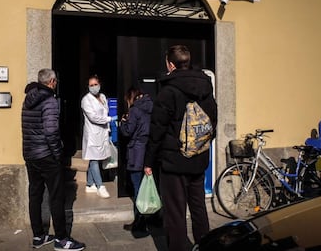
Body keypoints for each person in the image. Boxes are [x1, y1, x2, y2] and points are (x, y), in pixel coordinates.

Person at [144, 45, 218, 251]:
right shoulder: (206, 87)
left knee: (175, 212)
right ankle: (204, 245)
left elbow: (157, 130)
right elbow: (213, 121)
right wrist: (201, 144)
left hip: (173, 160)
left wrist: (149, 161)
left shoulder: (168, 91)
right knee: (198, 206)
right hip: (199, 157)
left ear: (170, 64)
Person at [21, 68, 85, 250]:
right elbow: (51, 132)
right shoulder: (49, 101)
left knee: (35, 194)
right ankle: (62, 239)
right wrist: (58, 154)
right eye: (55, 81)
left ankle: (39, 236)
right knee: (57, 197)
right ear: (50, 82)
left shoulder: (28, 99)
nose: (56, 84)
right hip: (46, 156)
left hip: (30, 154)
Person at [118, 86, 153, 237]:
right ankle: (152, 219)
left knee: (138, 190)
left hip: (136, 153)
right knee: (149, 188)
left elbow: (128, 131)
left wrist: (122, 122)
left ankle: (140, 223)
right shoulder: (151, 107)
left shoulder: (134, 110)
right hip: (149, 151)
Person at [81, 74, 117, 199]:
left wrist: (108, 128)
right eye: (91, 85)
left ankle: (90, 184)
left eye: (95, 84)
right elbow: (94, 117)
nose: (94, 87)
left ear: (99, 84)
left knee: (95, 158)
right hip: (92, 133)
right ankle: (100, 186)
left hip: (102, 132)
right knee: (94, 159)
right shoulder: (86, 100)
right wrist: (110, 119)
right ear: (88, 87)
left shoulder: (102, 97)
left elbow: (104, 111)